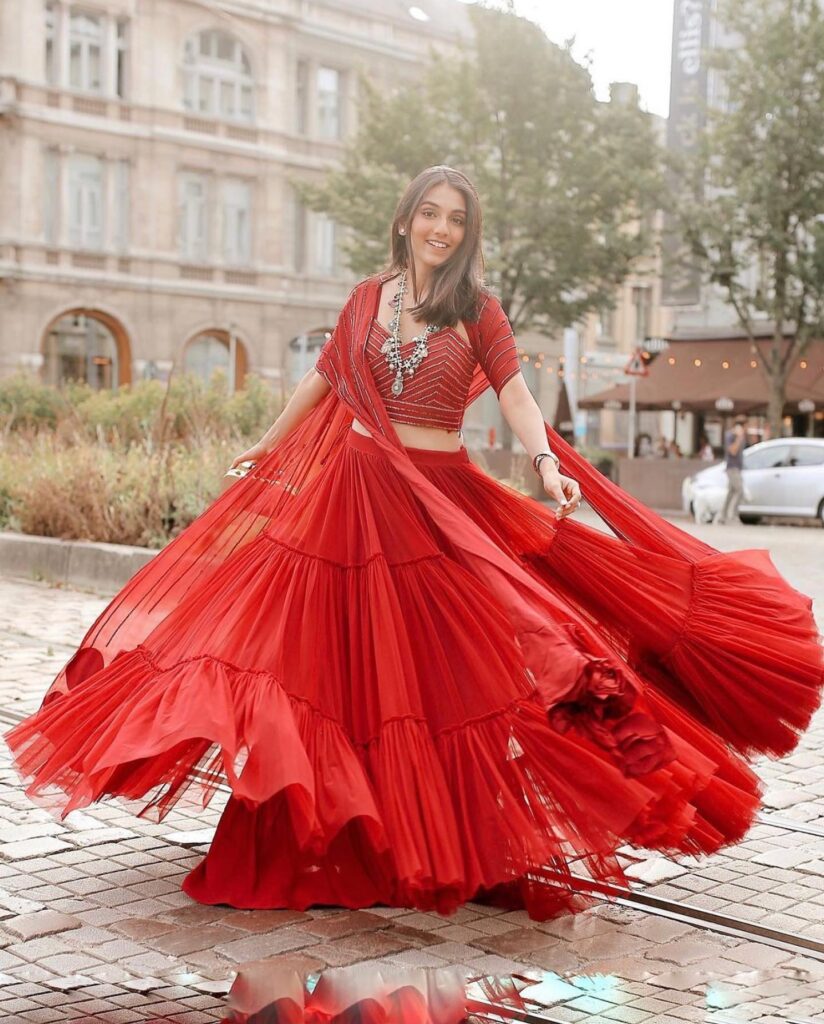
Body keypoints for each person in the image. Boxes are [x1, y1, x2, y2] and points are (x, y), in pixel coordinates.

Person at [4, 167, 822, 922]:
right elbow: (324, 377)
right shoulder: (365, 298)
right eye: (428, 214)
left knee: (443, 682)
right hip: (351, 496)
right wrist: (269, 442)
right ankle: (320, 842)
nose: (440, 228)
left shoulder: (479, 308)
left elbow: (516, 395)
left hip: (437, 503)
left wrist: (543, 461)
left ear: (468, 233)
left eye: (455, 219)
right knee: (323, 672)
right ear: (404, 223)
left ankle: (437, 842)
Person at [716, 416, 747, 524]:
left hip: (737, 467)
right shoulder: (730, 436)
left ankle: (722, 516)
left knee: (731, 492)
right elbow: (733, 451)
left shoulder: (740, 437)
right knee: (739, 491)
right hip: (732, 467)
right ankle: (733, 516)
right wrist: (738, 438)